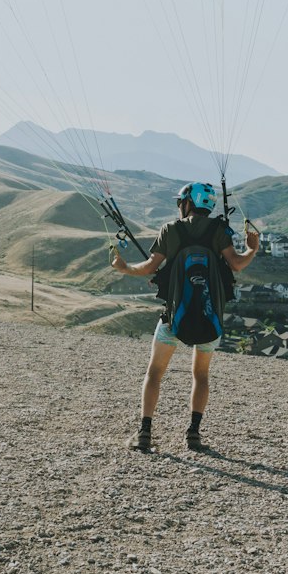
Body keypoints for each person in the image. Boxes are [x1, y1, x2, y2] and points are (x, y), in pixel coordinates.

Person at [110, 181, 260, 453]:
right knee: (200, 375)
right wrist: (252, 248)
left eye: (181, 202)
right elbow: (237, 264)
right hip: (209, 317)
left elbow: (148, 268)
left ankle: (145, 432)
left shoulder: (171, 230)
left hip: (172, 318)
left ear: (188, 202)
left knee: (155, 372)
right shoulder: (218, 230)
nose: (179, 207)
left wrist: (124, 268)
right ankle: (193, 434)